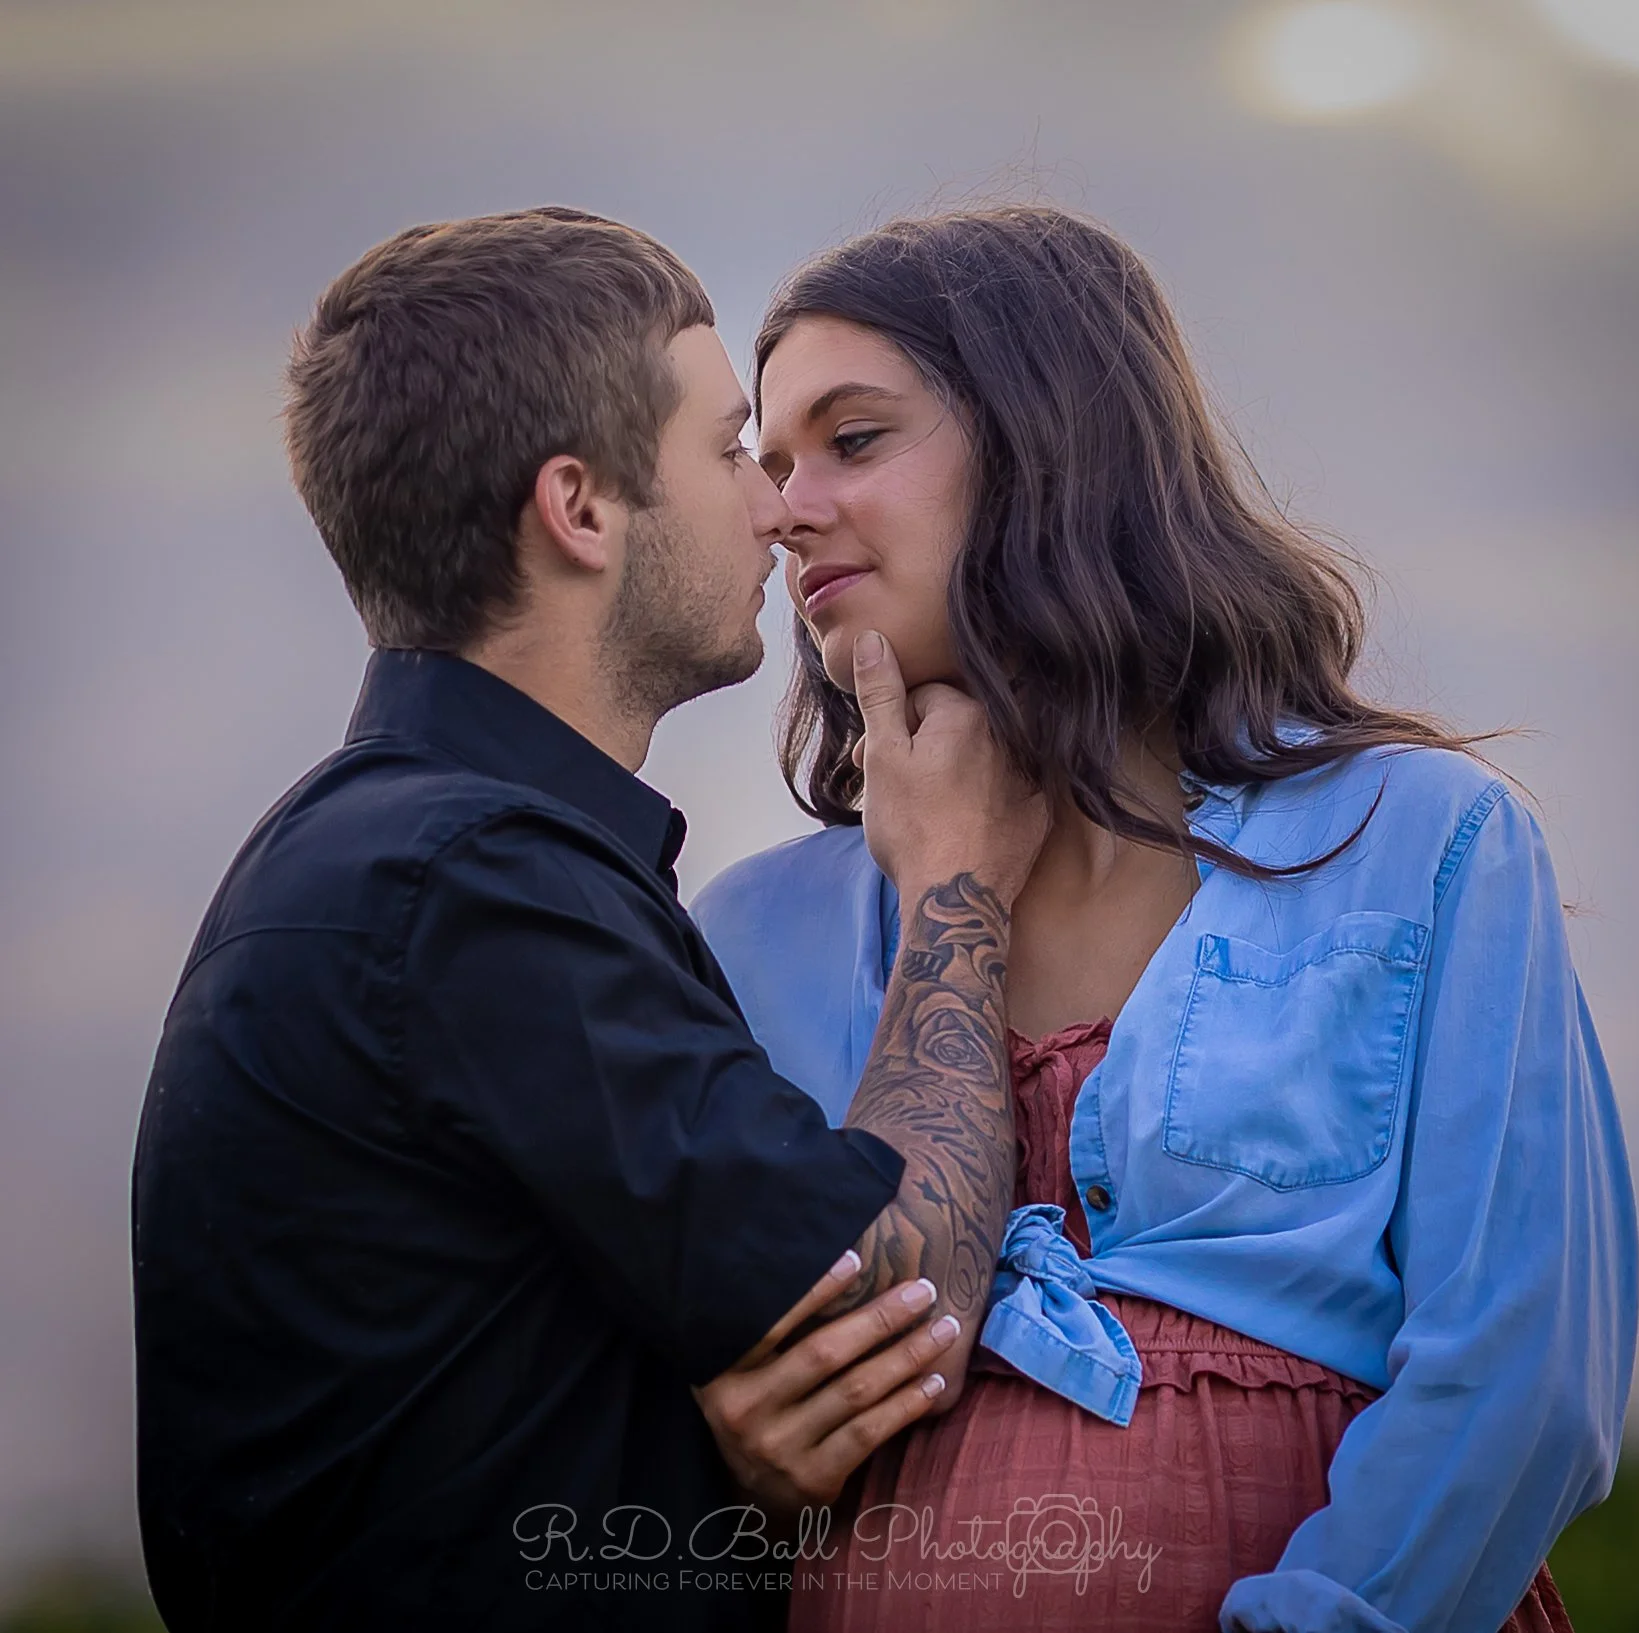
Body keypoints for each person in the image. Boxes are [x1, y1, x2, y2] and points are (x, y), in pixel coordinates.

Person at [691, 206, 1639, 1633]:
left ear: (1050, 443)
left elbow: (1523, 1375)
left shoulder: (1419, 839)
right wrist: (718, 1451)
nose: (784, 510)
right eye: (768, 467)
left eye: (853, 440)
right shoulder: (752, 933)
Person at [130, 207, 1050, 1632]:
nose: (776, 509)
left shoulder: (384, 859)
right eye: (730, 449)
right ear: (579, 509)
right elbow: (892, 1291)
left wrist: (713, 1467)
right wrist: (955, 892)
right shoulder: (470, 884)